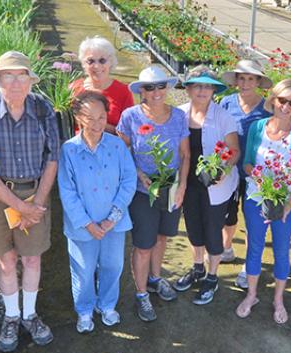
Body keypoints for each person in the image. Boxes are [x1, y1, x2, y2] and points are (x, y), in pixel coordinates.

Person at [0, 51, 59, 352]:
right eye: (9, 76)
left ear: (30, 80)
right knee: (6, 261)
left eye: (22, 76)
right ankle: (12, 316)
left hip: (35, 191)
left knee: (32, 257)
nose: (16, 82)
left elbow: (52, 160)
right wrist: (21, 208)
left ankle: (30, 314)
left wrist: (37, 203)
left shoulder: (44, 109)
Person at [58, 91, 137, 333]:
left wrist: (113, 218)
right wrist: (88, 224)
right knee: (83, 270)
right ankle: (84, 310)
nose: (96, 124)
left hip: (114, 222)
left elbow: (129, 180)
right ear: (78, 118)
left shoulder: (116, 145)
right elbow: (67, 191)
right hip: (83, 225)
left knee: (113, 265)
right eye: (89, 118)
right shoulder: (68, 150)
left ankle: (107, 305)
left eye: (101, 117)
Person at [234, 79, 291, 325]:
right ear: (273, 99)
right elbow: (247, 162)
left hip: (284, 203)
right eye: (282, 100)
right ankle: (252, 295)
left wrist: (288, 207)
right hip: (256, 198)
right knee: (254, 247)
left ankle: (279, 299)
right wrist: (257, 174)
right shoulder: (258, 127)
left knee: (281, 251)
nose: (286, 107)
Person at [116, 65, 189, 322]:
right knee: (143, 245)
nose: (156, 92)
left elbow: (185, 154)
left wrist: (182, 187)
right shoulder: (131, 117)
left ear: (167, 87)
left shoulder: (179, 116)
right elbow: (122, 151)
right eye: (150, 87)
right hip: (141, 191)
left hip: (170, 188)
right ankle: (140, 294)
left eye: (161, 86)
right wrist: (139, 173)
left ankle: (156, 279)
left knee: (161, 237)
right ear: (142, 91)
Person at [172, 66, 240, 305]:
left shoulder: (223, 116)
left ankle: (212, 276)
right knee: (193, 227)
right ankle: (198, 268)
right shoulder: (179, 114)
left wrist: (223, 170)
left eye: (207, 86)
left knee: (213, 231)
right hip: (187, 183)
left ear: (213, 90)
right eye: (197, 85)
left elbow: (234, 151)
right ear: (188, 88)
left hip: (215, 186)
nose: (202, 90)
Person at [218, 59, 274, 289]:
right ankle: (227, 247)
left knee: (253, 220)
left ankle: (248, 266)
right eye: (241, 78)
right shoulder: (226, 103)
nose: (245, 83)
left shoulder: (266, 108)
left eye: (251, 78)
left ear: (259, 82)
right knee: (228, 214)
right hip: (231, 168)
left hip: (255, 173)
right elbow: (220, 133)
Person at [69, 35, 135, 133]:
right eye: (90, 61)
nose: (96, 66)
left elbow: (128, 132)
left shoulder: (123, 91)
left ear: (111, 62)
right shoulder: (74, 88)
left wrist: (94, 123)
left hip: (112, 146)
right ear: (83, 63)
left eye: (102, 60)